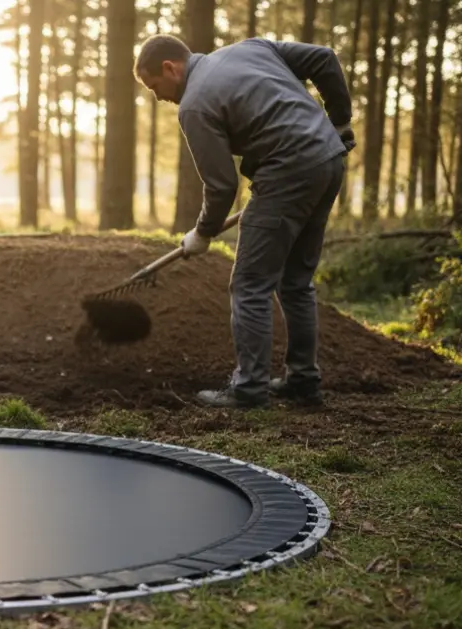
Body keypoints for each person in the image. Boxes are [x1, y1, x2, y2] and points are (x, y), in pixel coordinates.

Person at [133, 34, 356, 408]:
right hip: (328, 161)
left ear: (170, 68)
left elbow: (220, 186)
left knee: (250, 283)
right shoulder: (251, 48)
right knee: (295, 281)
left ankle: (249, 389)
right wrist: (339, 123)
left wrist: (202, 233)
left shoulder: (194, 105)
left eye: (155, 86)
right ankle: (303, 381)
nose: (159, 97)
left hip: (289, 170)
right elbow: (324, 59)